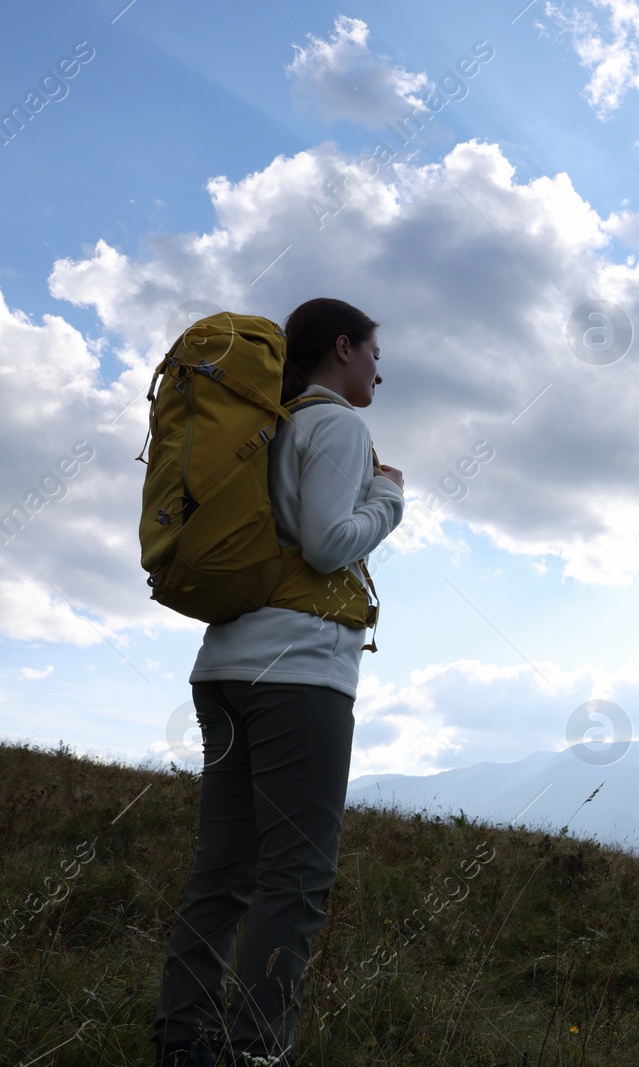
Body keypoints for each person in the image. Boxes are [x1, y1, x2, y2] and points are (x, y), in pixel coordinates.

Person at [151, 298, 405, 1067]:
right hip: (297, 676)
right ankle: (258, 1054)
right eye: (371, 352)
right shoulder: (336, 427)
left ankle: (184, 1043)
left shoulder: (267, 427)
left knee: (223, 873)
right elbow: (329, 545)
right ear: (341, 347)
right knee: (294, 881)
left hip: (225, 665)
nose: (378, 369)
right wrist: (390, 498)